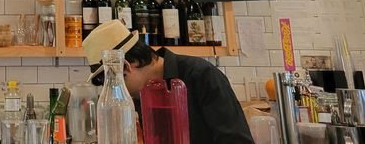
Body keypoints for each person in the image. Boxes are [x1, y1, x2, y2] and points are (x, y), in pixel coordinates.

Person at [82, 20, 254, 144]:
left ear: (126, 66)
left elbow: (237, 140)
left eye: (111, 82)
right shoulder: (138, 96)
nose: (113, 91)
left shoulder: (201, 75)